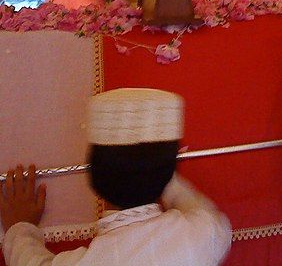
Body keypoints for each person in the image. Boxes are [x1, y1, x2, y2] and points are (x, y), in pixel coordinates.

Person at [1, 88, 231, 265]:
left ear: (92, 175)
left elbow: (28, 260)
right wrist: (157, 166)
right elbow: (200, 210)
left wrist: (20, 225)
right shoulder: (205, 235)